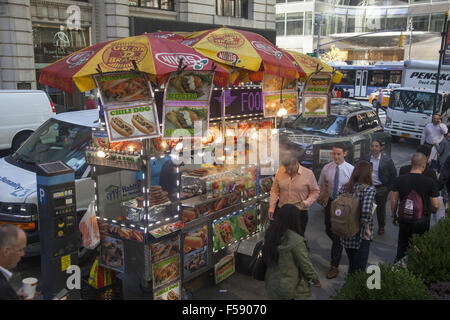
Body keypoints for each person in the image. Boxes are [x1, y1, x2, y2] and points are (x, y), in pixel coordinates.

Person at [263, 204, 321, 300]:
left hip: (271, 284)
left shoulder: (270, 233)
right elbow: (305, 264)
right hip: (288, 287)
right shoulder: (296, 240)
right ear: (295, 219)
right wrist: (316, 280)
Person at [391, 153, 440, 262]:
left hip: (404, 218)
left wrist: (394, 215)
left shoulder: (399, 180)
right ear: (424, 165)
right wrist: (432, 211)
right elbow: (436, 204)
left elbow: (394, 200)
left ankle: (399, 267)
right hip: (422, 220)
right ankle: (415, 268)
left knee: (402, 245)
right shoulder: (429, 182)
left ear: (411, 163)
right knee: (419, 246)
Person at [317, 143, 354, 279]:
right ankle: (341, 242)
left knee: (337, 237)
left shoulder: (350, 170)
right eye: (334, 153)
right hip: (331, 203)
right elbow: (320, 185)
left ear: (345, 154)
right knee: (328, 229)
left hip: (344, 205)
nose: (336, 156)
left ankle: (334, 266)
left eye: (338, 154)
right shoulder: (327, 168)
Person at [336, 160, 376, 276]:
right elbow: (366, 211)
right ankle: (352, 291)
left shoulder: (345, 187)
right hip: (361, 233)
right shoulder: (369, 189)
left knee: (352, 264)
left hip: (345, 231)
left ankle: (349, 287)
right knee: (359, 269)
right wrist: (367, 228)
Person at [269, 150, 320, 237]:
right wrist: (272, 207)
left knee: (297, 238)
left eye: (291, 169)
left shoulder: (308, 173)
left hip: (299, 213)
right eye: (286, 169)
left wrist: (307, 202)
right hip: (282, 211)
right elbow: (274, 190)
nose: (288, 171)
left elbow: (315, 191)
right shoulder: (280, 171)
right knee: (279, 237)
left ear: (296, 163)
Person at [361, 139, 397, 235]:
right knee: (366, 207)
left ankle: (381, 226)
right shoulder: (366, 158)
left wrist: (388, 189)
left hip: (381, 188)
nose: (374, 148)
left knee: (381, 209)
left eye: (376, 146)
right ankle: (366, 226)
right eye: (372, 146)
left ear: (381, 148)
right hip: (368, 186)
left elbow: (393, 175)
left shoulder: (387, 161)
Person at [0, 224, 26, 300]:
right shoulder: (3, 289)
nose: (23, 254)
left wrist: (14, 296)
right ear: (6, 251)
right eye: (20, 250)